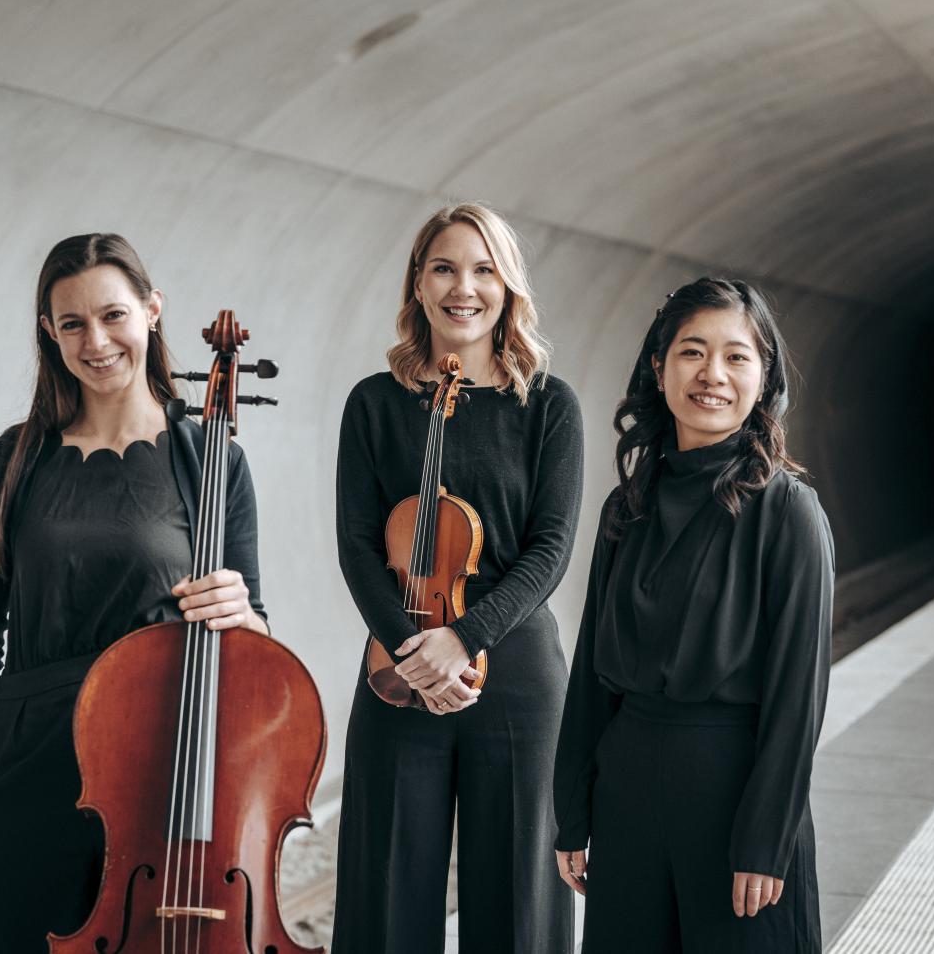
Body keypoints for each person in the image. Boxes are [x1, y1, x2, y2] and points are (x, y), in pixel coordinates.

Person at [0, 233, 267, 953]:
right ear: (48, 333)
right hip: (26, 779)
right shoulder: (12, 461)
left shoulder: (211, 459)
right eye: (72, 324)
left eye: (114, 315)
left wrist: (241, 612)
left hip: (161, 770)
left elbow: (254, 642)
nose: (96, 341)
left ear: (153, 312)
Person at [331, 202, 584, 953]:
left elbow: (552, 547)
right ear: (417, 282)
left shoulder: (546, 405)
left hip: (515, 674)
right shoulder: (376, 404)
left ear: (508, 286)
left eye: (483, 269)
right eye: (444, 267)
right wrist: (416, 649)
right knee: (385, 891)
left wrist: (464, 637)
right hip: (397, 666)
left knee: (519, 909)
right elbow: (355, 547)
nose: (462, 287)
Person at [553, 278, 833, 953]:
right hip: (627, 800)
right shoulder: (627, 507)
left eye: (737, 357)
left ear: (764, 380)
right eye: (692, 352)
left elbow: (800, 695)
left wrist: (766, 838)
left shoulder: (788, 512)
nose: (712, 375)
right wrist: (573, 811)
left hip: (734, 802)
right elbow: (593, 671)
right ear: (659, 366)